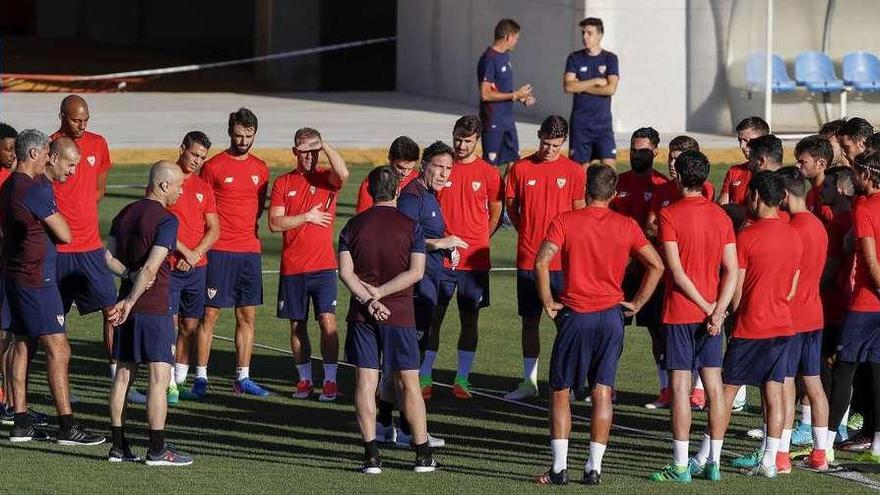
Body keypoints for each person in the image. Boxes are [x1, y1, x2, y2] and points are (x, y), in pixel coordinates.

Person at [534, 164, 663, 485]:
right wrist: (636, 303)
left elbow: (541, 261)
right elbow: (656, 266)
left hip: (577, 314)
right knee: (603, 391)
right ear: (613, 192)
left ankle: (559, 469)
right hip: (611, 317)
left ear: (584, 190)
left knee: (560, 390)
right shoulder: (627, 225)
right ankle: (594, 469)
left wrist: (548, 301)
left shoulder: (566, 220)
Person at [3, 129, 103, 445]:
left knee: (22, 345)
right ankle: (68, 426)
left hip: (17, 277)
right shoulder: (33, 191)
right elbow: (65, 234)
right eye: (46, 152)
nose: (50, 157)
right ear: (34, 154)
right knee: (59, 350)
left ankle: (20, 422)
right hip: (38, 282)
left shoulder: (8, 186)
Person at [338, 165, 437, 474]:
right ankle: (422, 456)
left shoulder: (353, 226)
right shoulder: (411, 227)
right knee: (409, 383)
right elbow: (416, 273)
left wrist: (369, 299)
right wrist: (382, 294)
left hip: (362, 315)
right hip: (401, 314)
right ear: (397, 191)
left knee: (366, 382)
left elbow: (345, 272)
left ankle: (371, 456)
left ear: (369, 190)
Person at [648, 151, 737, 483]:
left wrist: (705, 307)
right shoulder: (720, 216)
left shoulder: (669, 214)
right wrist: (718, 310)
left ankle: (682, 465)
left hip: (681, 312)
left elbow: (677, 272)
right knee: (714, 388)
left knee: (681, 386)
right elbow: (731, 271)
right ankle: (713, 461)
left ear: (679, 177)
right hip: (712, 314)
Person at [104, 160, 192, 465]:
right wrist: (131, 299)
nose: (182, 190)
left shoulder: (124, 214)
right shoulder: (166, 220)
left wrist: (127, 278)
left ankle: (118, 446)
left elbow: (107, 257)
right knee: (159, 376)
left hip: (126, 307)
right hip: (152, 308)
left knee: (123, 375)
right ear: (164, 185)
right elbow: (152, 268)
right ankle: (157, 449)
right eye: (179, 185)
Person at [719, 171, 802, 479]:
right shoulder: (793, 234)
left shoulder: (747, 236)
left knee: (727, 390)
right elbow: (792, 287)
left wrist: (736, 314)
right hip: (782, 324)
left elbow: (736, 286)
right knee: (774, 391)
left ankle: (709, 454)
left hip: (751, 325)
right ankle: (770, 459)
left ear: (754, 196)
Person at [503, 115, 586, 400]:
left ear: (564, 142)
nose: (549, 149)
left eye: (555, 145)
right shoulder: (520, 168)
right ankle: (530, 382)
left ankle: (570, 383)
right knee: (529, 321)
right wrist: (527, 230)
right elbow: (512, 207)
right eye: (545, 143)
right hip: (528, 258)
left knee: (567, 322)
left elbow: (579, 212)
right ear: (538, 136)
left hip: (563, 263)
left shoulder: (574, 171)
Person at [50, 95, 127, 401]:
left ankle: (116, 379)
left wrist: (81, 211)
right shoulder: (49, 148)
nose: (81, 126)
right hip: (58, 250)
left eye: (85, 120)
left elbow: (99, 189)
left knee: (112, 312)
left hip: (91, 249)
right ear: (61, 116)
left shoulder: (98, 144)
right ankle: (63, 386)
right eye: (75, 120)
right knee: (55, 320)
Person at [385, 141, 458, 447]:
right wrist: (442, 243)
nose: (443, 173)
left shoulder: (428, 195)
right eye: (439, 167)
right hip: (414, 291)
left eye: (448, 168)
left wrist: (447, 246)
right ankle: (407, 431)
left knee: (402, 361)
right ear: (424, 165)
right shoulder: (413, 197)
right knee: (406, 363)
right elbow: (406, 238)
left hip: (427, 285)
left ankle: (385, 425)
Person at [424, 116, 503, 400]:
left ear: (477, 140)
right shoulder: (442, 166)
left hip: (474, 262)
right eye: (458, 138)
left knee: (470, 320)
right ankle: (424, 376)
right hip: (441, 258)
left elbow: (496, 207)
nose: (461, 144)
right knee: (434, 317)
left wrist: (482, 236)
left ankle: (462, 379)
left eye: (467, 140)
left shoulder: (489, 173)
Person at [268, 127, 349, 401]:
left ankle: (329, 380)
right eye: (304, 152)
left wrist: (323, 144)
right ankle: (304, 380)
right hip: (293, 268)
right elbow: (274, 223)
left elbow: (344, 173)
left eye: (313, 152)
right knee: (296, 325)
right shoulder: (282, 183)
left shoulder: (327, 179)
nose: (309, 158)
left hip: (324, 266)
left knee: (328, 321)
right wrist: (307, 217)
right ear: (294, 152)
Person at [196, 108, 270, 398]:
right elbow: (203, 207)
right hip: (219, 251)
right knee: (209, 315)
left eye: (248, 136)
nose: (243, 141)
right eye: (238, 135)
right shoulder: (213, 166)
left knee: (247, 317)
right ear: (230, 132)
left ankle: (242, 377)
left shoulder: (261, 168)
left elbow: (259, 207)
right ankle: (200, 376)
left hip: (249, 252)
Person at [825, 151, 880, 465]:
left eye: (858, 173)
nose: (854, 177)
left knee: (843, 369)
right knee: (877, 371)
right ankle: (877, 445)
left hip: (865, 302)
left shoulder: (864, 208)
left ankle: (826, 443)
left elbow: (869, 259)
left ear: (869, 175)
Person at [774, 166, 831, 472]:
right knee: (814, 383)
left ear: (783, 195)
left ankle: (780, 456)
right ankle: (821, 454)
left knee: (783, 385)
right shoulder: (817, 225)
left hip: (791, 317)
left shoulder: (792, 229)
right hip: (814, 314)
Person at [610, 127, 670, 409]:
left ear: (655, 152)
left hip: (649, 270)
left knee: (657, 331)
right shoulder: (617, 183)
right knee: (612, 329)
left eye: (643, 150)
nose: (637, 154)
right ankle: (606, 385)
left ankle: (665, 389)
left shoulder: (662, 185)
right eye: (634, 149)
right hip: (619, 270)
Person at [167, 132, 219, 403]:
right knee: (169, 325)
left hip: (197, 267)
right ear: (182, 149)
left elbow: (214, 228)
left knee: (189, 325)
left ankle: (178, 381)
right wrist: (184, 252)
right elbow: (157, 221)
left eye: (202, 157)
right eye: (194, 154)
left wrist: (196, 253)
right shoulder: (165, 178)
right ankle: (164, 383)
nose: (197, 161)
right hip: (171, 265)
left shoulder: (203, 187)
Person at [478, 18, 534, 167]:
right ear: (508, 37)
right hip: (493, 122)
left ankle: (508, 191)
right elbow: (485, 94)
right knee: (491, 166)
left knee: (514, 163)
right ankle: (491, 191)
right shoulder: (489, 59)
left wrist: (521, 97)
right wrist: (515, 95)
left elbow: (503, 89)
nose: (516, 42)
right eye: (516, 38)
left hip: (507, 121)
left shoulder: (505, 57)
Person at [563, 17, 619, 166]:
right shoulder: (574, 58)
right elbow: (568, 87)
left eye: (589, 33)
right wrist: (595, 81)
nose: (585, 36)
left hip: (603, 124)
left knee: (609, 167)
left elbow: (611, 88)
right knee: (581, 171)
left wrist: (580, 85)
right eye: (583, 33)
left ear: (600, 35)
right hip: (581, 124)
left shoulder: (610, 59)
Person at [355, 136, 421, 213]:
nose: (405, 173)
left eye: (410, 169)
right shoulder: (373, 182)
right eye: (400, 167)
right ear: (390, 158)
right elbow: (364, 217)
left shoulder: (419, 180)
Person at [0, 122, 16, 419]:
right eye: (7, 148)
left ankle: (10, 397)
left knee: (9, 333)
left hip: (10, 264)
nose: (12, 153)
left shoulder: (13, 176)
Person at [718, 116, 770, 207]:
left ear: (764, 141)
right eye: (740, 140)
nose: (742, 146)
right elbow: (722, 207)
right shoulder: (734, 171)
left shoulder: (777, 174)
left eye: (746, 140)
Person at [795, 135, 835, 224]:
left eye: (803, 162)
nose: (797, 166)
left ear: (821, 164)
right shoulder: (812, 192)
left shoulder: (827, 196)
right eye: (797, 161)